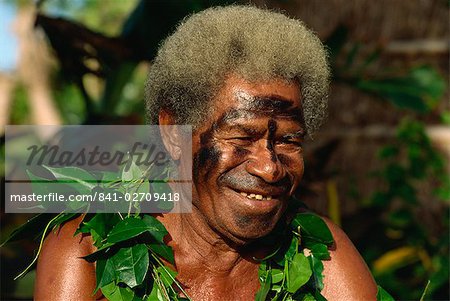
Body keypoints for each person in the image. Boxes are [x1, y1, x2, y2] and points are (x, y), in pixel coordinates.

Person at [34, 5, 377, 300]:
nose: (270, 169)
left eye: (288, 141)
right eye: (241, 137)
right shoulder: (89, 250)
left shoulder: (319, 255)